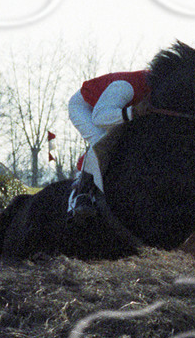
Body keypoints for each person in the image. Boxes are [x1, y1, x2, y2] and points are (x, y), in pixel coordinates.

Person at [65, 67, 151, 223]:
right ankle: (81, 194)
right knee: (102, 140)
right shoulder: (126, 86)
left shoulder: (148, 88)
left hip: (105, 108)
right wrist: (133, 112)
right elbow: (100, 118)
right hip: (84, 106)